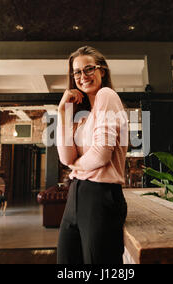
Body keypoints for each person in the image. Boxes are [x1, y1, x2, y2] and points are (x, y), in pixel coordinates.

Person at [56, 46, 128, 264]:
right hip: (75, 195)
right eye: (77, 72)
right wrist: (62, 111)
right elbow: (65, 158)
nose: (82, 76)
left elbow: (100, 155)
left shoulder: (107, 95)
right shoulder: (84, 115)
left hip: (100, 196)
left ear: (102, 71)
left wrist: (76, 167)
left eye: (88, 69)